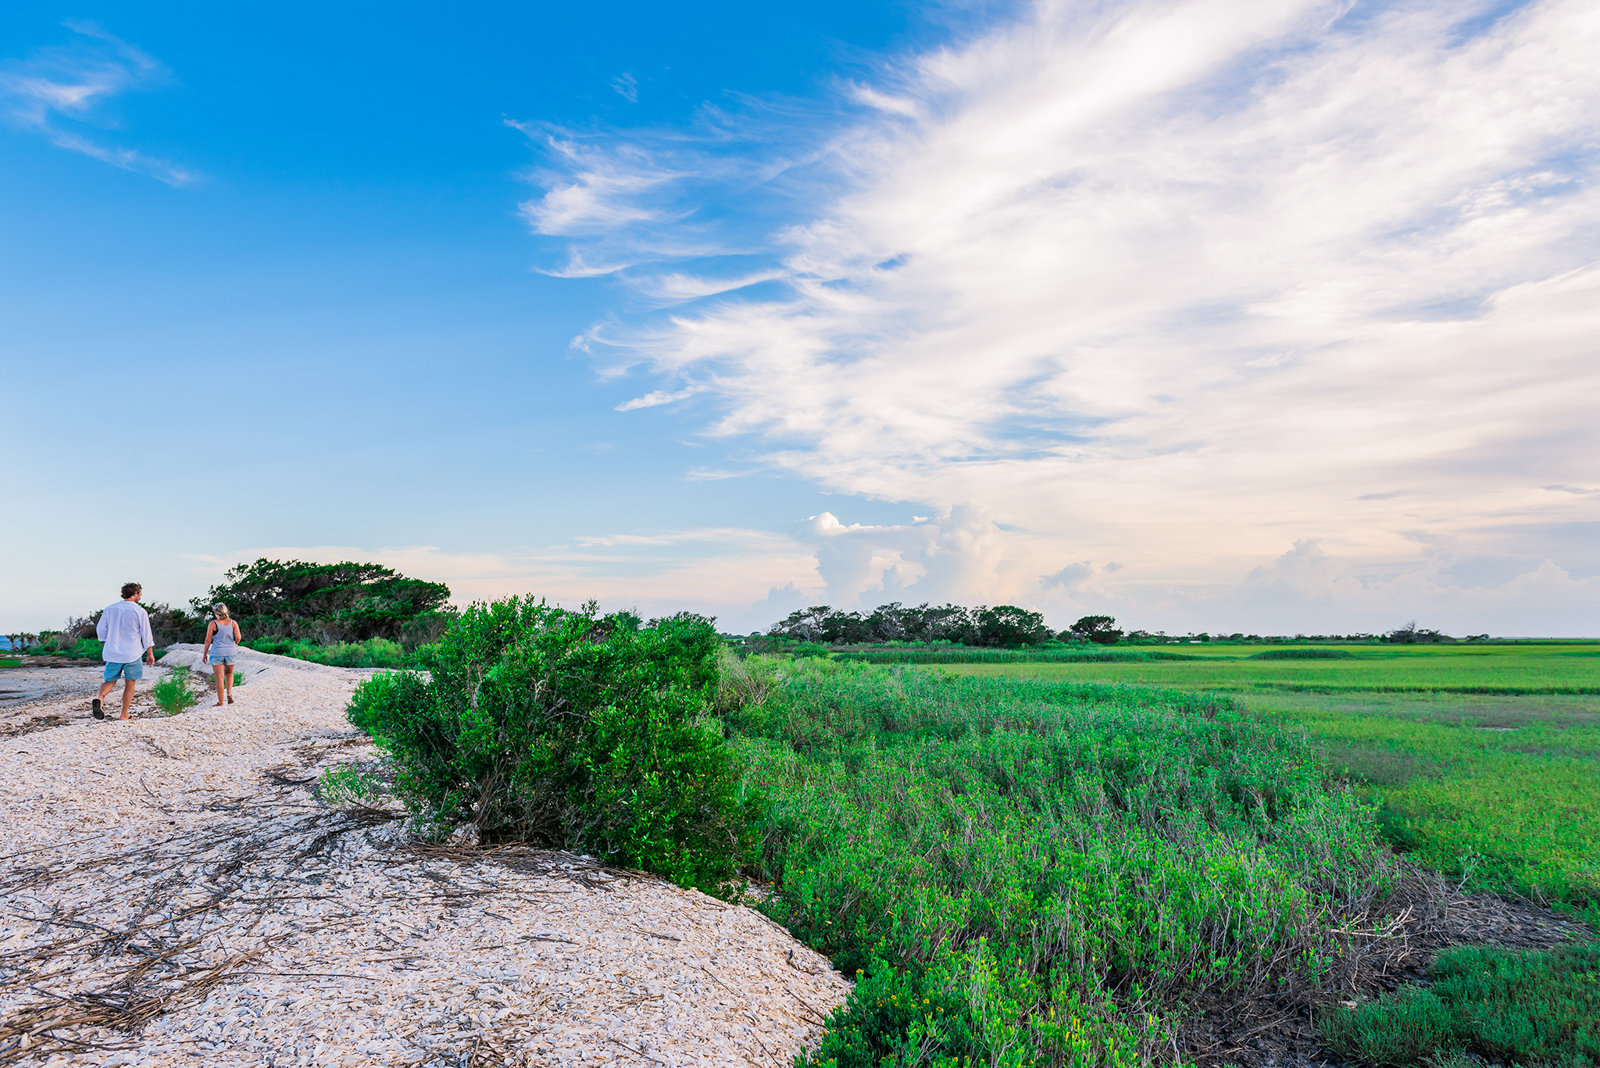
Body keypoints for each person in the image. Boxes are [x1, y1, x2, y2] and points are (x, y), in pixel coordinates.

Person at [93, 582, 156, 721]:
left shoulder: (110, 609)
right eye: (139, 593)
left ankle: (100, 698)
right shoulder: (139, 611)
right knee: (130, 683)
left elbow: (101, 630)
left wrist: (107, 639)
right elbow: (146, 634)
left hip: (112, 652)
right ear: (135, 594)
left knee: (110, 680)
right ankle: (124, 714)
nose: (140, 596)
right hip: (132, 654)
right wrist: (150, 653)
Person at [202, 603, 242, 706]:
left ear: (216, 613)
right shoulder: (233, 623)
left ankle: (221, 702)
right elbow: (238, 637)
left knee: (219, 677)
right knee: (229, 673)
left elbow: (208, 640)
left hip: (217, 653)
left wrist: (204, 654)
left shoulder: (213, 624)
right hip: (231, 652)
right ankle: (229, 693)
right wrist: (235, 644)